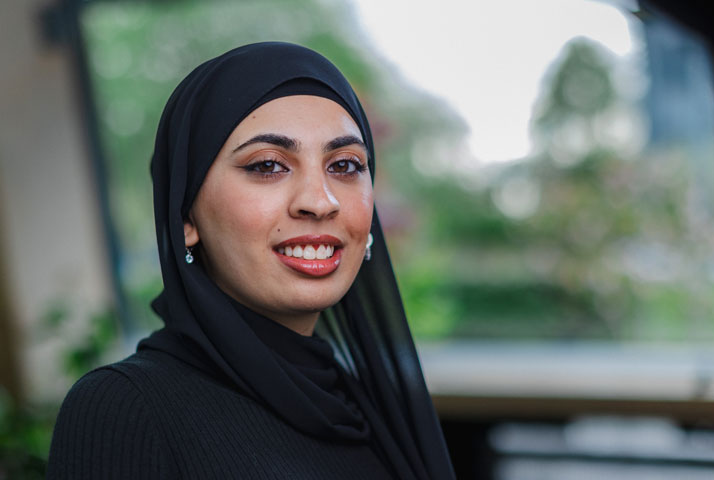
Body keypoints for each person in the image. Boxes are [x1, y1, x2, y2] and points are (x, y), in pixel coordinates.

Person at [47, 42, 455, 479]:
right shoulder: (125, 409)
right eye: (267, 165)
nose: (320, 201)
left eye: (345, 165)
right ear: (185, 215)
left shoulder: (364, 405)